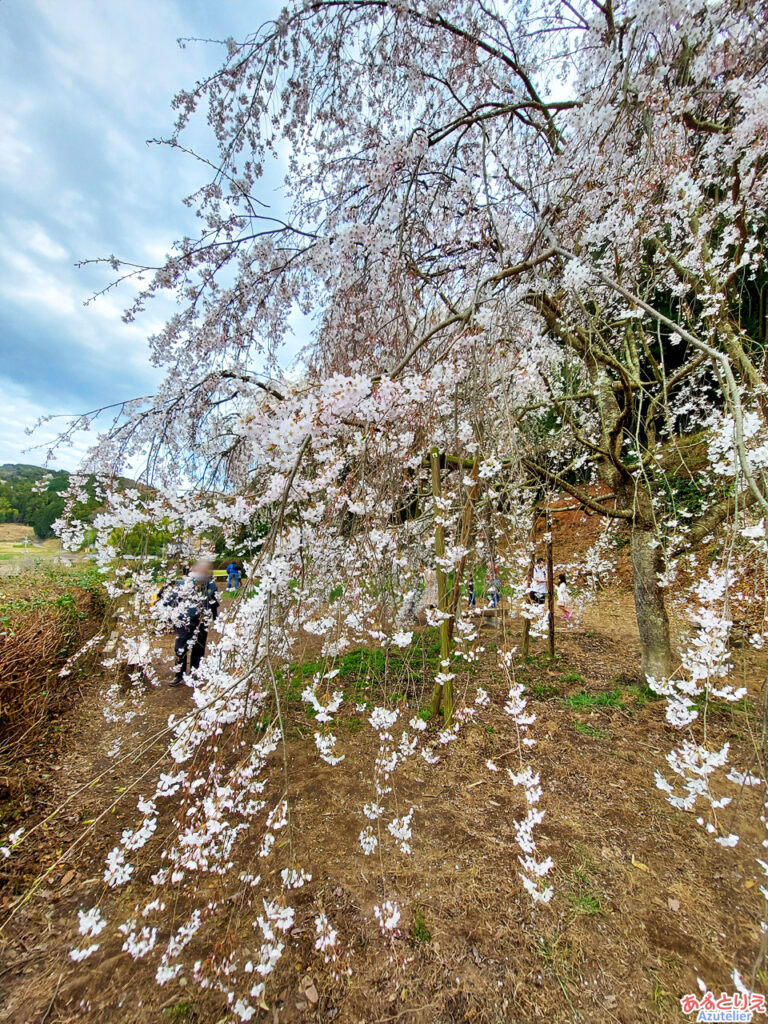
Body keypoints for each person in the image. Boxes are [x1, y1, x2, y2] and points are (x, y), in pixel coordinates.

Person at [166, 561, 220, 687]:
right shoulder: (183, 583)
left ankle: (195, 672)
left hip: (201, 621)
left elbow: (214, 602)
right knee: (180, 649)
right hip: (184, 621)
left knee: (198, 648)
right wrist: (171, 616)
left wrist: (215, 618)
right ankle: (179, 675)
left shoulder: (211, 585)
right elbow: (172, 600)